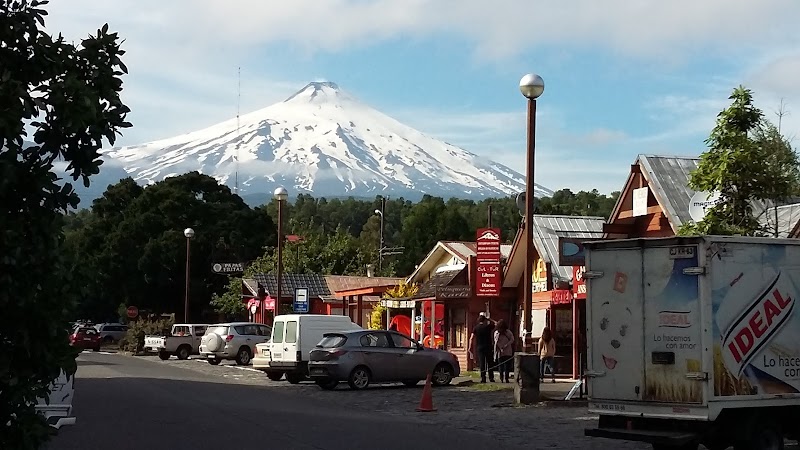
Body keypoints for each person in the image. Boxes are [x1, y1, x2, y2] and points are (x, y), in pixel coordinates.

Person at [468, 312, 496, 383]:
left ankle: (483, 378)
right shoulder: (488, 327)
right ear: (485, 320)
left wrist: (469, 347)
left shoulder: (476, 328)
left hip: (480, 347)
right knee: (490, 362)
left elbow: (471, 338)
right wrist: (489, 319)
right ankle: (491, 378)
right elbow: (496, 323)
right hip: (488, 346)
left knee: (482, 363)